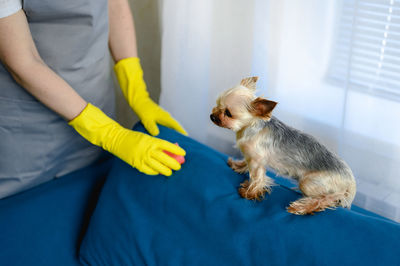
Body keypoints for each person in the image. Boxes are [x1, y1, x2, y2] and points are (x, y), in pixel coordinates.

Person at [0, 0, 187, 199]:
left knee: (94, 201)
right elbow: (24, 62)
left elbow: (115, 4)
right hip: (29, 126)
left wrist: (137, 91)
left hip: (95, 104)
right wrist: (111, 135)